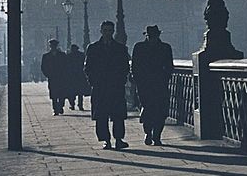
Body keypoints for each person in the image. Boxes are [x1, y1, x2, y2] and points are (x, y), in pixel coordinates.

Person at [84, 20, 131, 150]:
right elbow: (88, 67)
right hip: (100, 86)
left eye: (110, 31)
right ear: (101, 31)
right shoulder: (93, 48)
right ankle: (106, 140)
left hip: (116, 86)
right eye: (105, 30)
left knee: (118, 115)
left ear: (113, 31)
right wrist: (93, 81)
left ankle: (118, 139)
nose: (107, 33)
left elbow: (125, 67)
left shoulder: (120, 48)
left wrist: (121, 80)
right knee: (101, 115)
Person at [131, 25, 174, 146]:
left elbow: (169, 66)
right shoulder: (140, 47)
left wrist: (165, 77)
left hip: (159, 83)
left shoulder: (164, 48)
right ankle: (149, 133)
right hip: (145, 84)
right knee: (149, 109)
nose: (152, 38)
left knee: (160, 110)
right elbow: (134, 66)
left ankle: (156, 135)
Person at [40, 39, 68, 115]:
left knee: (62, 93)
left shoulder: (62, 55)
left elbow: (67, 66)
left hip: (61, 77)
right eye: (52, 46)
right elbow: (43, 67)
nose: (53, 47)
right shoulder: (46, 56)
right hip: (52, 77)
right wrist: (48, 75)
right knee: (53, 93)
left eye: (54, 46)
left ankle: (60, 106)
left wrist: (65, 74)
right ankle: (55, 109)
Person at [65, 44, 88, 111]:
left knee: (72, 92)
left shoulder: (69, 56)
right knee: (80, 92)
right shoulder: (81, 55)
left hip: (71, 76)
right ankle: (80, 105)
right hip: (80, 75)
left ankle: (72, 104)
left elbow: (66, 66)